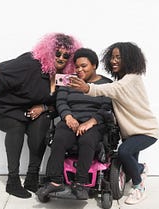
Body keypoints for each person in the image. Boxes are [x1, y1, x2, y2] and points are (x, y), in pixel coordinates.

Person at [0, 33, 82, 199]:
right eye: (57, 53)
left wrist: (43, 108)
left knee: (43, 121)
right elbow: (1, 75)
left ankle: (32, 178)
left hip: (28, 105)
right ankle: (12, 181)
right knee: (16, 127)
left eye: (66, 55)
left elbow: (60, 103)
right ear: (49, 52)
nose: (62, 58)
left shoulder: (63, 77)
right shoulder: (31, 64)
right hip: (1, 100)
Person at [69, 42, 159, 205]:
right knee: (129, 169)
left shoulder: (131, 79)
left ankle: (139, 188)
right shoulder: (123, 79)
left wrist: (87, 88)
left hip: (146, 131)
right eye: (112, 57)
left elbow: (110, 89)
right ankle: (140, 169)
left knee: (124, 152)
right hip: (130, 132)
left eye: (118, 57)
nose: (113, 60)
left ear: (129, 59)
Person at [36, 48, 113, 200]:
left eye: (83, 66)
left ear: (94, 65)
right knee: (59, 139)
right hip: (71, 121)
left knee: (87, 140)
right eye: (77, 66)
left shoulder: (106, 84)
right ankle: (55, 181)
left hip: (94, 123)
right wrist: (68, 116)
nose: (79, 70)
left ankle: (80, 183)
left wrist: (91, 122)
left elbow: (106, 107)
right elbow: (61, 101)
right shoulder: (68, 81)